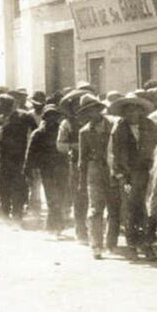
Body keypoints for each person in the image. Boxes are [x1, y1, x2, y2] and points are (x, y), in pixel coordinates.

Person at [111, 93, 157, 260]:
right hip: (128, 173)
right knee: (130, 208)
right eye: (129, 111)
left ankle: (147, 244)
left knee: (147, 209)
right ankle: (132, 244)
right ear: (124, 114)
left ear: (141, 111)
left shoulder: (150, 126)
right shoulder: (119, 129)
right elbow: (115, 154)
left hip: (147, 171)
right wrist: (121, 175)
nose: (132, 114)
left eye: (135, 111)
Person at [76, 95, 113, 258]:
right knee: (96, 207)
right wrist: (82, 180)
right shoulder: (84, 132)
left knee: (115, 207)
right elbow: (82, 158)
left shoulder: (113, 125)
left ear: (99, 109)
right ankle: (96, 244)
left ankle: (111, 243)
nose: (92, 114)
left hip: (113, 168)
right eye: (88, 112)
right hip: (95, 169)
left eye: (94, 109)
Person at [25, 103, 69, 233]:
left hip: (61, 167)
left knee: (60, 196)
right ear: (45, 117)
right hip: (47, 169)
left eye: (54, 115)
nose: (51, 118)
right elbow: (31, 152)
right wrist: (29, 168)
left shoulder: (62, 131)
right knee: (51, 197)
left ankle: (53, 225)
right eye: (49, 116)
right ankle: (55, 225)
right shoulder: (38, 133)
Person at [0, 94, 31, 220]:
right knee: (4, 187)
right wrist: (2, 127)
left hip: (20, 158)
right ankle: (5, 215)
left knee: (19, 186)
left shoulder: (24, 117)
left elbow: (30, 136)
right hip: (4, 158)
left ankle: (17, 215)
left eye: (0, 105)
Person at [56, 89, 89, 243]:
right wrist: (77, 146)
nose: (78, 107)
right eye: (76, 104)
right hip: (76, 163)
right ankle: (80, 229)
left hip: (96, 163)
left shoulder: (94, 120)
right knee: (79, 196)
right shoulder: (67, 123)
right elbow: (60, 145)